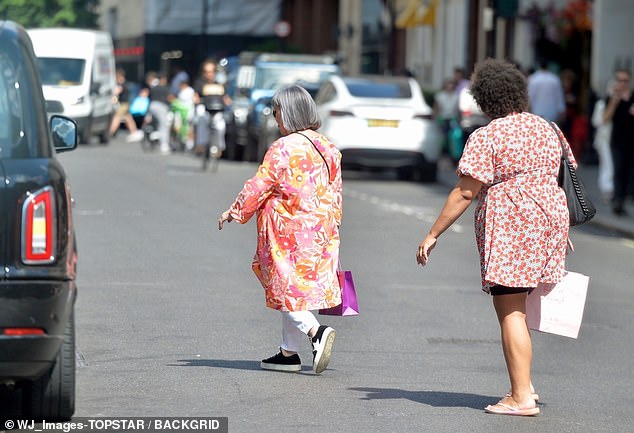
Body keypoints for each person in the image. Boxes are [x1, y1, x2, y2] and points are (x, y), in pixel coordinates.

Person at [417, 58, 573, 416]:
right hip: (549, 218)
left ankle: (520, 398)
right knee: (520, 305)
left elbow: (466, 192)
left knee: (511, 311)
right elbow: (564, 176)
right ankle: (526, 384)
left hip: (512, 224)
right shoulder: (549, 129)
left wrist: (433, 233)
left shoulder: (488, 135)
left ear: (485, 99)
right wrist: (560, 228)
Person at [218, 85, 342, 374]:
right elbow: (335, 192)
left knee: (284, 286)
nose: (275, 119)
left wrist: (235, 211)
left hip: (287, 230)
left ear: (288, 113)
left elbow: (259, 185)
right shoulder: (328, 146)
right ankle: (288, 353)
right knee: (295, 288)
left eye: (276, 112)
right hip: (321, 230)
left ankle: (315, 332)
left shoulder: (283, 148)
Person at [602, 68, 634, 216]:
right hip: (617, 141)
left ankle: (625, 198)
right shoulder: (612, 97)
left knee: (629, 172)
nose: (622, 83)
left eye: (625, 81)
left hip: (631, 141)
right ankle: (618, 202)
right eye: (619, 80)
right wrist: (615, 101)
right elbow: (605, 118)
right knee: (619, 170)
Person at [193, 59, 231, 157]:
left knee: (220, 126)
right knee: (201, 119)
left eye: (211, 71)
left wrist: (227, 102)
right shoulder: (199, 83)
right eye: (206, 72)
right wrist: (196, 100)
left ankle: (219, 147)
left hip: (217, 109)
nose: (209, 74)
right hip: (204, 108)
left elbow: (226, 97)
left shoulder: (219, 84)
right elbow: (196, 96)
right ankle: (200, 144)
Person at [591, 81, 614, 201]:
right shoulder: (602, 104)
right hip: (604, 138)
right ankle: (606, 189)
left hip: (613, 138)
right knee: (607, 163)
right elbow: (597, 121)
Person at [109, 68, 144, 142]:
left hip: (123, 104)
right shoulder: (127, 84)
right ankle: (134, 132)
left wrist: (112, 96)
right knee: (128, 118)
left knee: (116, 118)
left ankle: (110, 133)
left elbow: (116, 92)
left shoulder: (122, 85)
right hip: (126, 103)